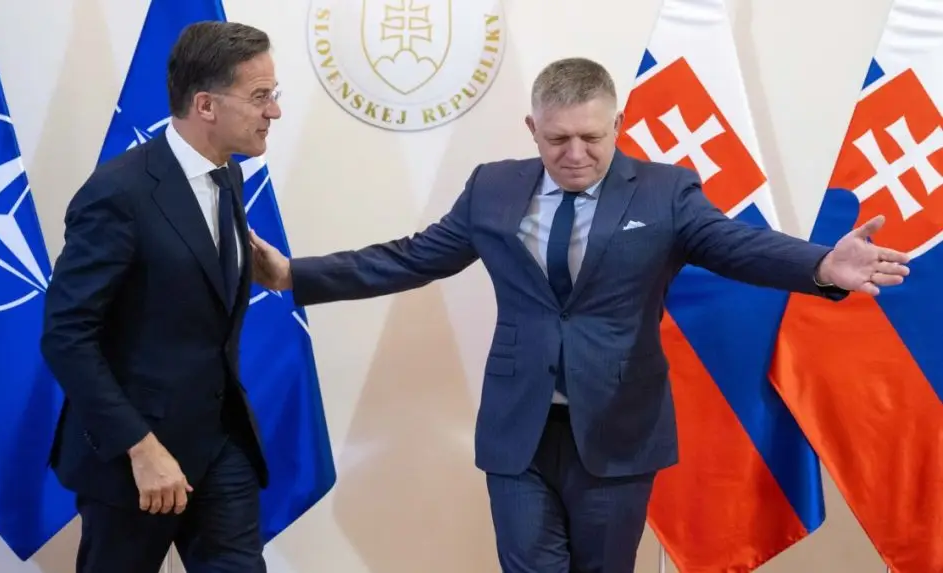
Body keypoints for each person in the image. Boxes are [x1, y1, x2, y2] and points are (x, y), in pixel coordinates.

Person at [248, 57, 909, 572]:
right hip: (519, 430)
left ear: (617, 125)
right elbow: (413, 258)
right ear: (531, 129)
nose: (574, 153)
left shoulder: (665, 191)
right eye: (557, 138)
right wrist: (292, 274)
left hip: (617, 432)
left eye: (591, 137)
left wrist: (822, 265)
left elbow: (735, 245)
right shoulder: (492, 187)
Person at [40, 21, 281, 573]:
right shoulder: (117, 193)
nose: (274, 111)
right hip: (135, 459)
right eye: (260, 96)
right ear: (205, 105)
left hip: (222, 446)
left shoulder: (230, 177)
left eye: (274, 94)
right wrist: (141, 447)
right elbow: (66, 335)